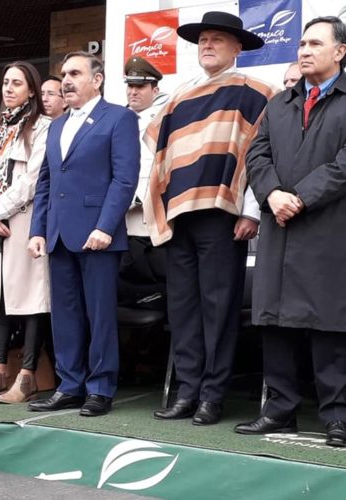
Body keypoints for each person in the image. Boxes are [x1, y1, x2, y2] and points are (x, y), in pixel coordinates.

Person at [145, 11, 277, 425]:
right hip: (180, 214)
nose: (207, 45)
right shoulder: (179, 98)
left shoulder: (255, 92)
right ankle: (187, 391)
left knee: (217, 308)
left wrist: (251, 211)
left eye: (218, 39)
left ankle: (212, 396)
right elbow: (161, 157)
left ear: (237, 48)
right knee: (183, 308)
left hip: (223, 215)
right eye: (203, 39)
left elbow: (260, 155)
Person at [235, 16, 346, 448]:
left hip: (328, 228)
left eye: (315, 43)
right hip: (279, 227)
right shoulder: (279, 103)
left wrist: (298, 196)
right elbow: (256, 155)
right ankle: (279, 411)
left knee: (329, 324)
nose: (303, 50)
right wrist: (273, 195)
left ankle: (337, 416)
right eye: (301, 43)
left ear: (339, 51)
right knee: (276, 321)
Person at [28, 51, 140, 416]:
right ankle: (69, 385)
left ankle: (101, 388)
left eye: (75, 73)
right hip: (59, 234)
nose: (66, 81)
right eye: (64, 75)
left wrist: (105, 226)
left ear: (98, 79)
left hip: (98, 235)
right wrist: (38, 230)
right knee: (65, 315)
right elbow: (45, 182)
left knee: (100, 315)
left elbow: (124, 179)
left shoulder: (119, 118)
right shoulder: (57, 125)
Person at [0, 61, 51, 403]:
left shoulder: (43, 127)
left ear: (31, 89)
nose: (8, 88)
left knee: (30, 300)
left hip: (22, 221)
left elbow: (32, 179)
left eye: (16, 83)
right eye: (5, 82)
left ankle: (28, 376)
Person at [123, 56, 168, 237]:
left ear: (155, 90)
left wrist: (137, 197)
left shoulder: (164, 121)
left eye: (140, 87)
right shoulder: (115, 120)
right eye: (130, 86)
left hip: (148, 216)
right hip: (117, 218)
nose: (133, 91)